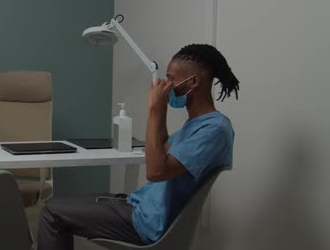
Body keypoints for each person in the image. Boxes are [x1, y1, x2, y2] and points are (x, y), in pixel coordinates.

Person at [37, 44, 239, 249]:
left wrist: (154, 109)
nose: (166, 86)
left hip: (148, 223)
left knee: (52, 212)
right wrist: (160, 109)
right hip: (139, 206)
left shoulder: (214, 129)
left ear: (193, 81)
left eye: (171, 79)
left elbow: (155, 171)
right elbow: (161, 149)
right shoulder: (198, 125)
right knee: (61, 205)